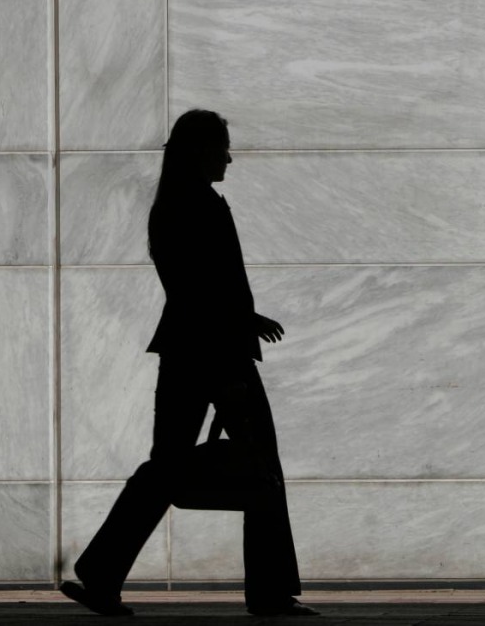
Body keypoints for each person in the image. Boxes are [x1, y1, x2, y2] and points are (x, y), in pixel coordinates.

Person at [60, 109, 317, 617]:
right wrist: (241, 330)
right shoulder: (200, 206)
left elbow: (191, 288)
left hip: (187, 352)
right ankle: (268, 592)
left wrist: (245, 317)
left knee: (167, 466)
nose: (228, 156)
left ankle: (102, 572)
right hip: (218, 354)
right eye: (222, 145)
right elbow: (205, 289)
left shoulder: (172, 206)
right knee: (261, 466)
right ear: (201, 149)